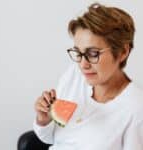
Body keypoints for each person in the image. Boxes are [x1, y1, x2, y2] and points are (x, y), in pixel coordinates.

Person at [33, 2, 143, 150]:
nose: (83, 65)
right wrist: (44, 120)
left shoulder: (136, 110)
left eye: (93, 53)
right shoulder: (75, 77)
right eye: (78, 53)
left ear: (123, 52)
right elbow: (52, 138)